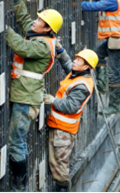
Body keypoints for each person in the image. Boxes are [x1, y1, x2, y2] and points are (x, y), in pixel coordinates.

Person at [6, 0, 63, 191]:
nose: (34, 21)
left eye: (39, 20)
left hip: (26, 98)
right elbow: (25, 21)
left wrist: (4, 29)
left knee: (16, 143)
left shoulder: (42, 46)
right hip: (24, 93)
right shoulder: (41, 37)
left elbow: (21, 46)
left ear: (47, 29)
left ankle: (18, 187)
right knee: (16, 141)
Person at [44, 47, 98, 192]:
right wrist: (60, 50)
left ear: (86, 66)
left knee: (60, 168)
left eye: (79, 60)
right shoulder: (77, 75)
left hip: (63, 131)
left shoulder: (81, 85)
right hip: (59, 127)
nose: (75, 62)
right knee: (57, 165)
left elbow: (71, 106)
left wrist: (52, 100)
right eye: (76, 58)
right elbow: (68, 63)